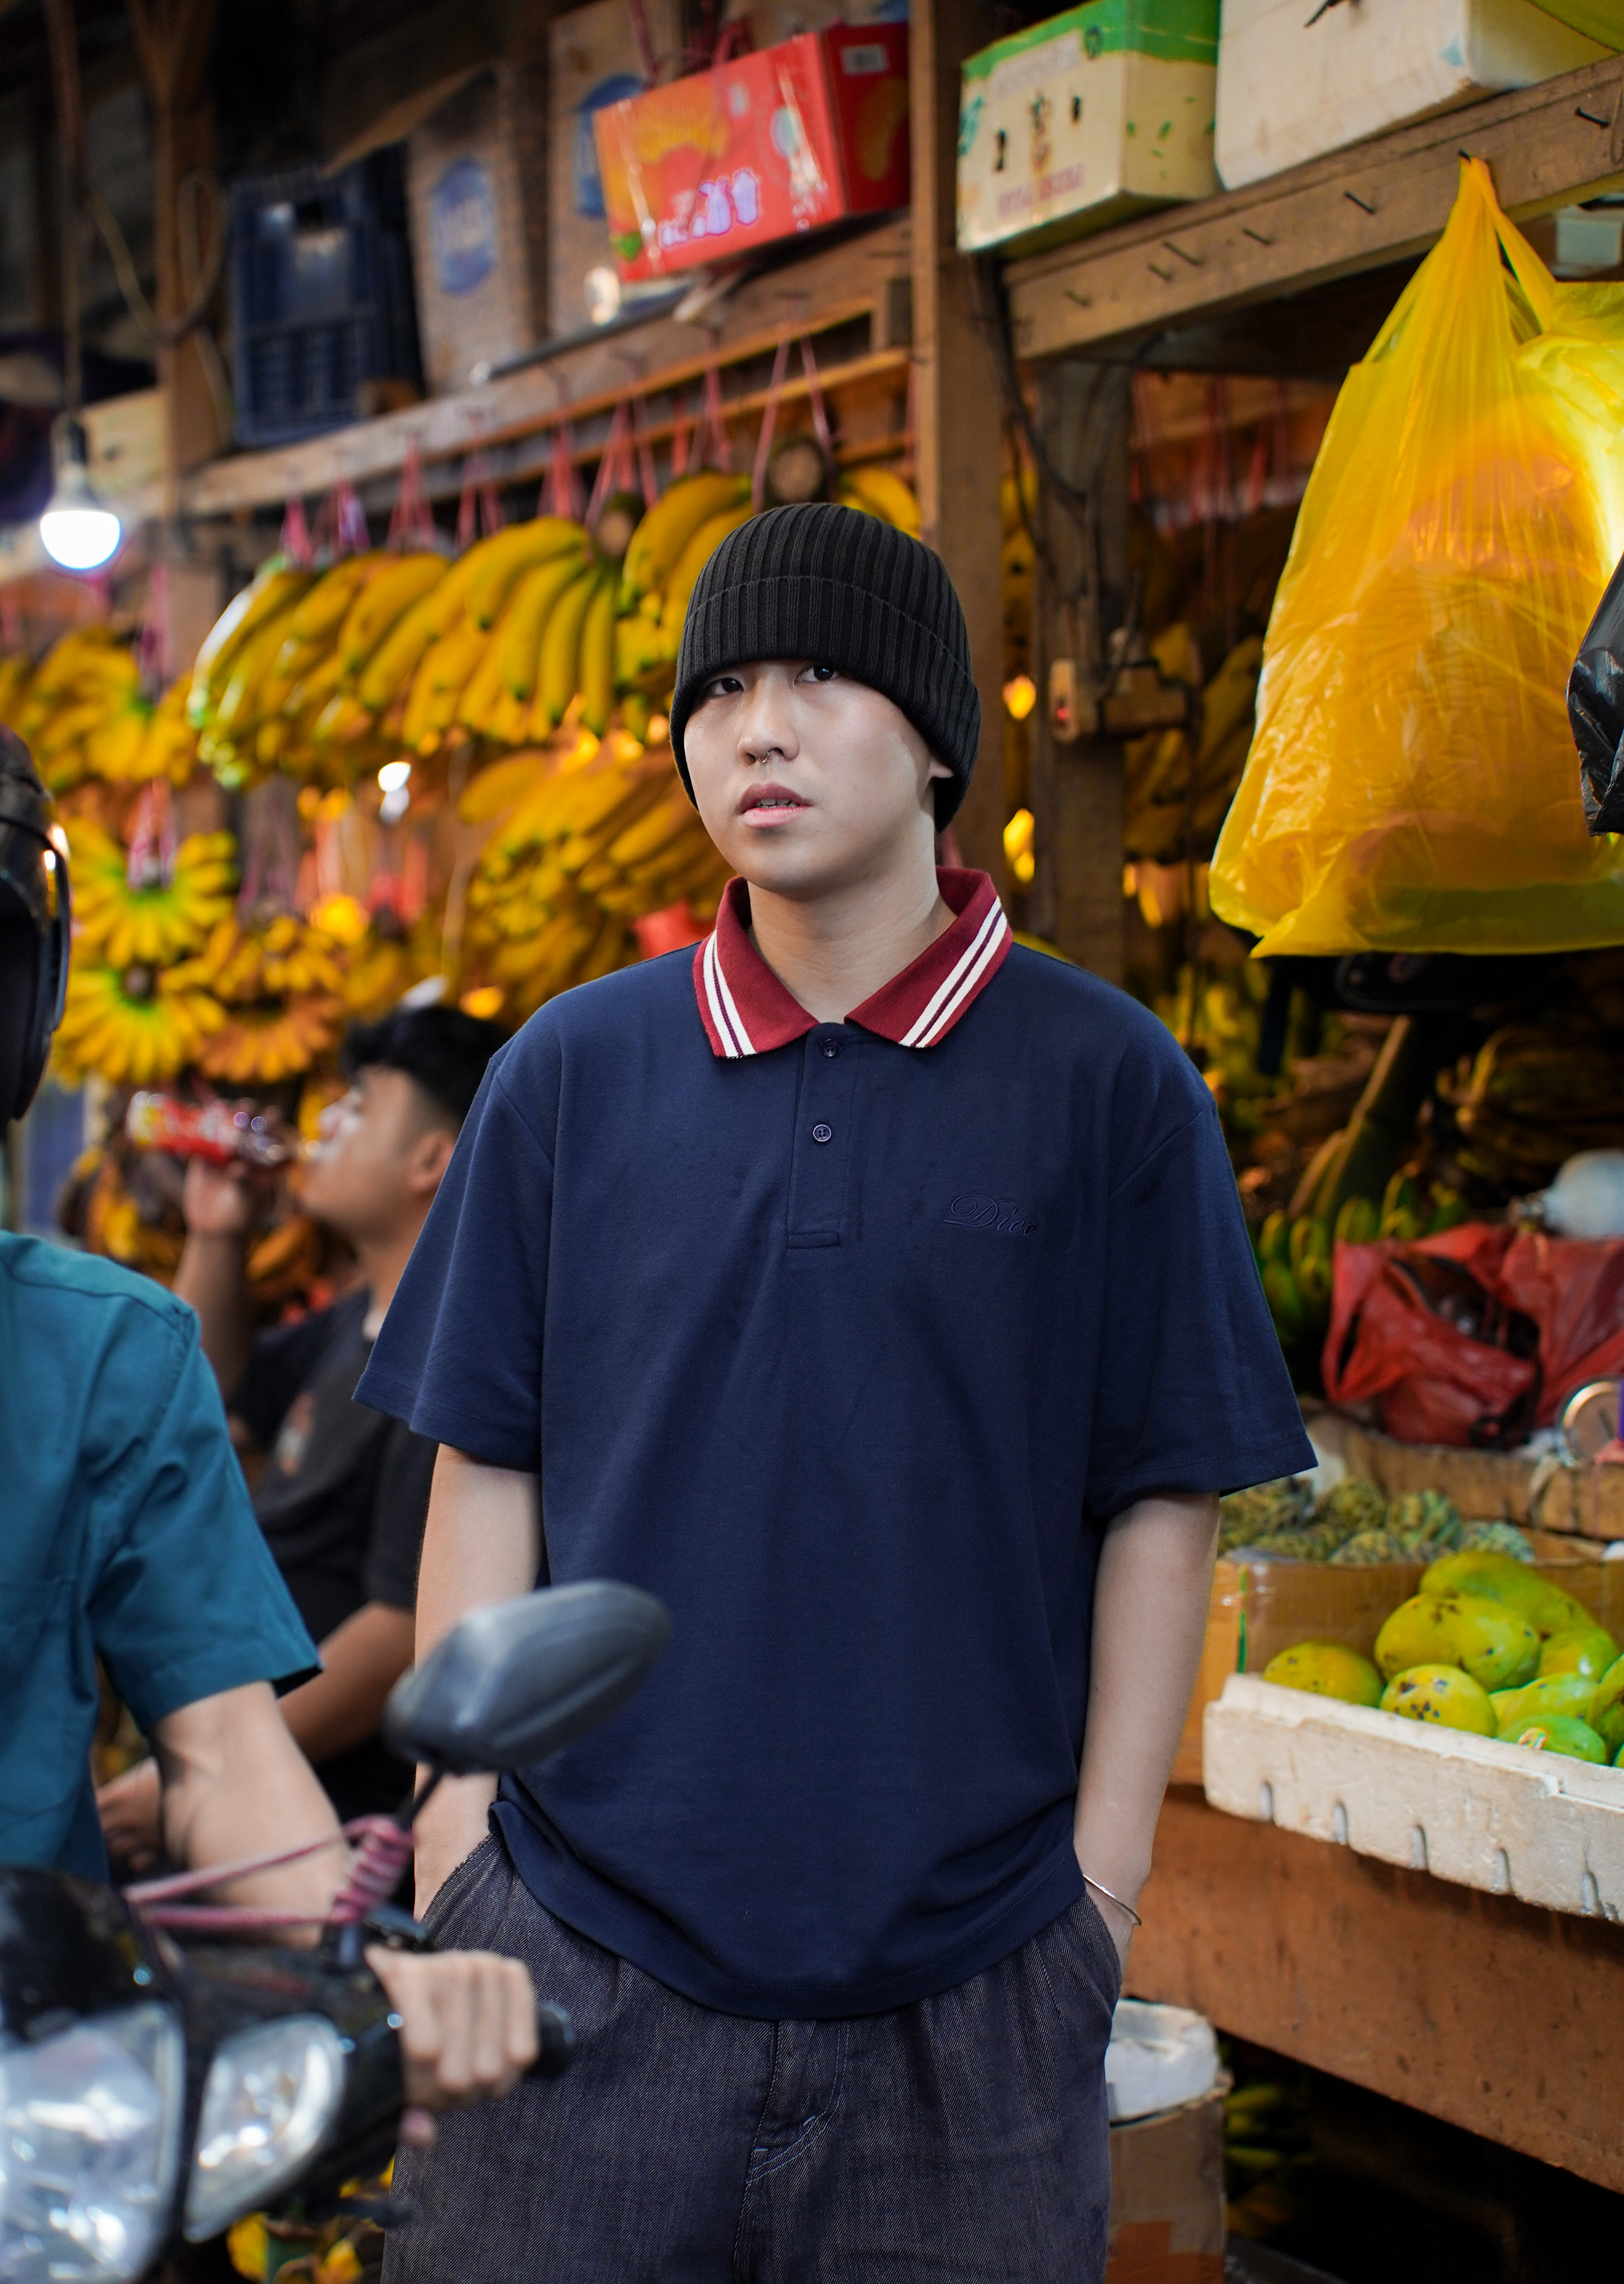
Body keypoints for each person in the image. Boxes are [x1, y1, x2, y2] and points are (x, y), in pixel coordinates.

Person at [357, 504, 1315, 2279]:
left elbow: (1160, 1503)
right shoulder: (569, 1072)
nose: (756, 725)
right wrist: (456, 1864)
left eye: (814, 674)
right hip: (573, 1954)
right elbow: (487, 1466)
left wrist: (1095, 1906)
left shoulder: (1109, 1081)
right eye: (717, 690)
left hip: (971, 2006)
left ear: (940, 733)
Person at [0, 665, 540, 2117]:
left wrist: (355, 1955)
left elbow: (224, 1748)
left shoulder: (106, 1355)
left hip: (3, 2114)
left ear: (2, 1011)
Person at [98, 1004, 504, 1863]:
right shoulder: (350, 1322)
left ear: (432, 1159)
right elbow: (201, 1407)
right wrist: (217, 1231)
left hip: (317, 1826)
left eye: (357, 1106)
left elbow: (401, 1631)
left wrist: (216, 1770)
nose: (325, 1127)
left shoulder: (452, 1350)